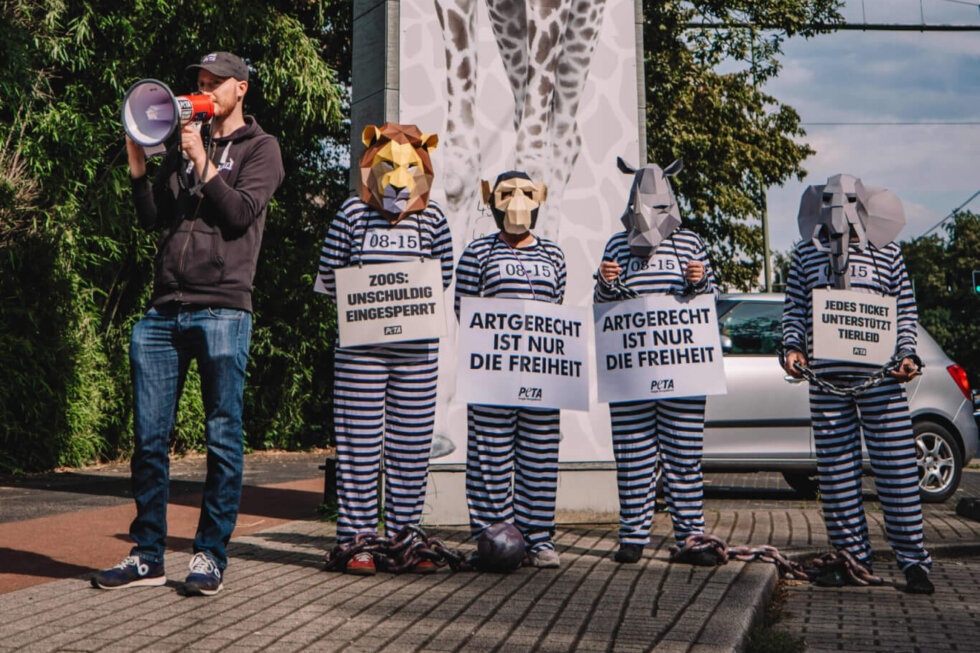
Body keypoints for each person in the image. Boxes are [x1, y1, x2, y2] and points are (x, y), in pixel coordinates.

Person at [93, 52, 284, 595]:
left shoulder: (261, 149)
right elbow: (155, 220)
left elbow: (240, 214)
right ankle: (147, 555)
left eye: (214, 84)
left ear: (240, 89)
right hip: (163, 310)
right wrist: (139, 165)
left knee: (222, 436)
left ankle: (208, 557)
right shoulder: (182, 146)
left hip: (223, 307)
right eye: (199, 84)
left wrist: (203, 161)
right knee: (149, 438)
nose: (203, 92)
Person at [782, 173, 933, 594]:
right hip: (827, 383)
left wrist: (907, 355)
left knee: (898, 471)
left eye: (848, 200)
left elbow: (905, 311)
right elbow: (794, 309)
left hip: (881, 381)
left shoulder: (889, 253)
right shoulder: (804, 255)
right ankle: (851, 560)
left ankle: (914, 562)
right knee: (835, 475)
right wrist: (792, 349)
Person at [318, 123, 452, 575]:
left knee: (411, 446)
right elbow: (328, 279)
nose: (398, 179)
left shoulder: (433, 220)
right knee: (358, 444)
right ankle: (357, 540)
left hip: (417, 353)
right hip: (360, 352)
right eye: (389, 167)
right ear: (371, 166)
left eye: (409, 168)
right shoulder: (351, 214)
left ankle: (404, 541)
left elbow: (441, 279)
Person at [594, 158, 722, 566]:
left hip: (680, 370)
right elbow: (602, 304)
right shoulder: (616, 245)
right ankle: (633, 535)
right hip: (632, 371)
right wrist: (605, 281)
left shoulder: (690, 243)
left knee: (684, 454)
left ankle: (690, 536)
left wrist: (699, 279)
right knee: (632, 453)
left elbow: (709, 300)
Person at [455, 171, 566, 568]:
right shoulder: (477, 253)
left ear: (540, 199)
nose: (518, 201)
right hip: (491, 378)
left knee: (539, 455)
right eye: (507, 193)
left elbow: (556, 311)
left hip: (541, 376)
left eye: (527, 192)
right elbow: (463, 309)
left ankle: (538, 540)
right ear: (492, 199)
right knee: (489, 456)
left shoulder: (554, 255)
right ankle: (493, 537)